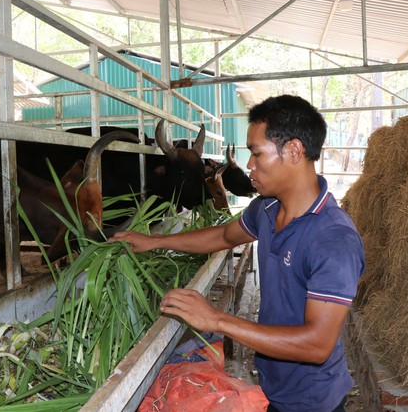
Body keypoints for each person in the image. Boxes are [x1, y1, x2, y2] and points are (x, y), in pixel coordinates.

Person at [109, 95, 365, 412]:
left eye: (256, 154)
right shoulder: (267, 208)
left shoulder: (333, 238)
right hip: (273, 386)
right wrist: (154, 242)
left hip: (313, 400)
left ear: (295, 151)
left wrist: (216, 318)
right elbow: (222, 235)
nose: (248, 166)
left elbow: (317, 344)